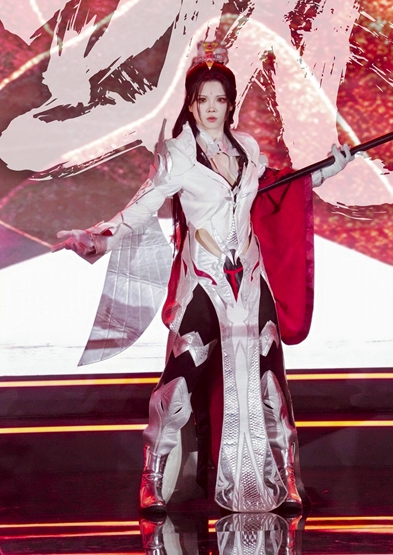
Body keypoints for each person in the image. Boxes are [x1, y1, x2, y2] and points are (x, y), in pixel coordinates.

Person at [54, 41, 353, 514]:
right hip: (204, 280)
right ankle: (152, 482)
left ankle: (284, 480)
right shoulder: (176, 155)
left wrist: (328, 171)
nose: (211, 108)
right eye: (202, 99)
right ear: (191, 105)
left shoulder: (247, 148)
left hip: (250, 279)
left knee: (270, 381)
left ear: (230, 104)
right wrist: (93, 238)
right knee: (179, 383)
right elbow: (140, 208)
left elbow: (277, 190)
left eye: (219, 99)